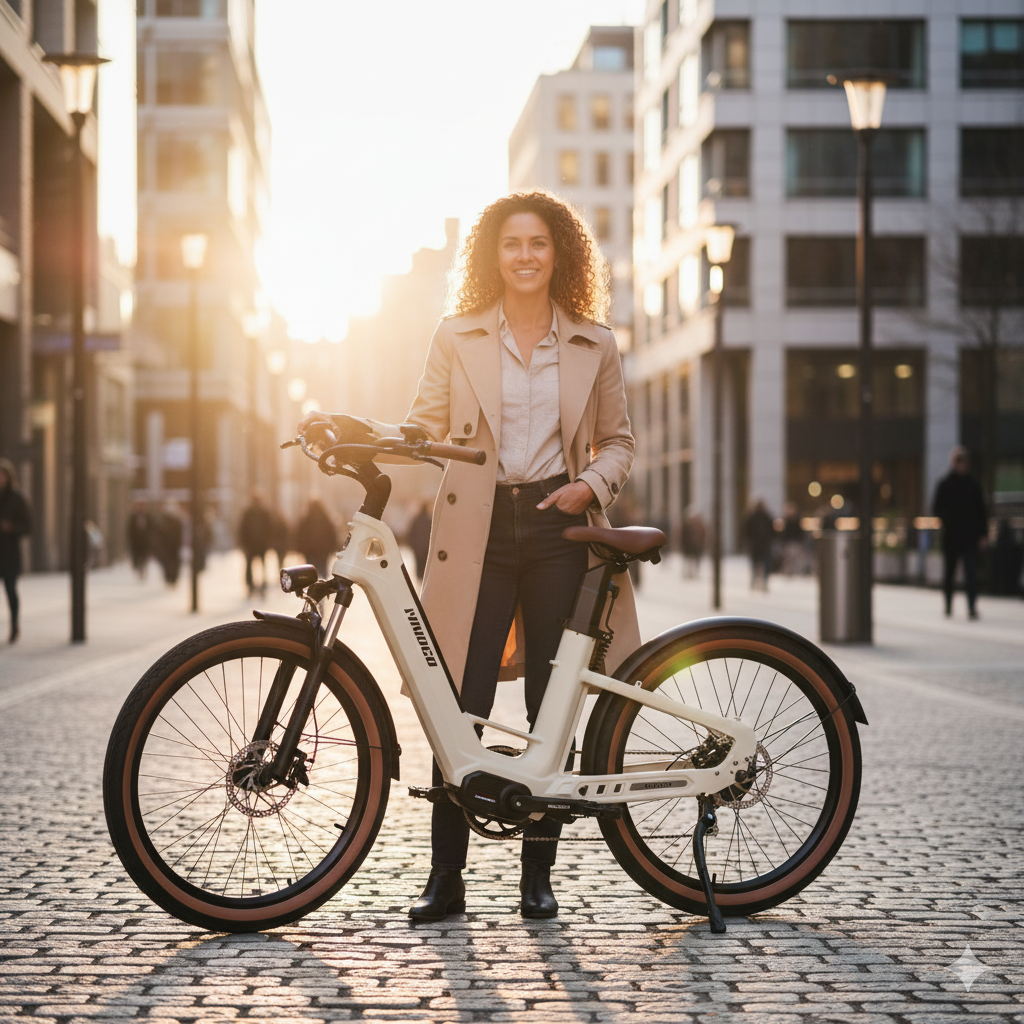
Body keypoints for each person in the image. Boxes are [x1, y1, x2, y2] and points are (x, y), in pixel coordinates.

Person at [300, 190, 637, 922]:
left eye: (538, 243)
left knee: (553, 703)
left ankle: (535, 879)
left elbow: (620, 442)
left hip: (560, 528)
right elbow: (423, 427)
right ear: (493, 255)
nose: (524, 255)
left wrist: (589, 485)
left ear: (560, 255)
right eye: (511, 243)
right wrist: (358, 429)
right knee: (458, 698)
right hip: (475, 534)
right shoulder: (456, 336)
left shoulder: (593, 342)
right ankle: (445, 877)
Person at [932, 445, 988, 618]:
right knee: (949, 573)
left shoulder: (973, 483)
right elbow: (937, 508)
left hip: (969, 536)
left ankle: (972, 607)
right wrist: (949, 520)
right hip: (951, 536)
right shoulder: (945, 482)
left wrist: (982, 534)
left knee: (971, 573)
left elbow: (981, 511)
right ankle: (948, 604)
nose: (961, 466)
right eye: (959, 462)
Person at [0, 459, 31, 643]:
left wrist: (11, 527)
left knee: (11, 590)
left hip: (10, 553)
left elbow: (27, 526)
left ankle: (14, 625)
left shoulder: (17, 498)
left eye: (2, 476)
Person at [238, 492, 275, 596]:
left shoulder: (248, 513)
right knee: (261, 565)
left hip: (252, 545)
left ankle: (252, 585)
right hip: (260, 544)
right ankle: (261, 584)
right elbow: (270, 528)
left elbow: (242, 529)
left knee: (251, 565)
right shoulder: (263, 512)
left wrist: (244, 543)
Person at [296, 498, 338, 578]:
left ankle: (312, 586)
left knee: (310, 571)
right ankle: (323, 586)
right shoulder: (326, 519)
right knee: (323, 570)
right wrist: (332, 548)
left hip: (310, 551)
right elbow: (332, 534)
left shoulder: (306, 519)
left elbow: (300, 535)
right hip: (323, 551)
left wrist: (300, 549)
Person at [743, 499, 775, 592]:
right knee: (765, 564)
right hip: (764, 545)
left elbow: (746, 531)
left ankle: (754, 581)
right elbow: (772, 531)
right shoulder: (766, 516)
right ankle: (764, 582)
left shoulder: (751, 516)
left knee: (754, 565)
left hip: (755, 545)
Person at [406, 500, 432, 583]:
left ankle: (419, 579)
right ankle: (424, 579)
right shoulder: (430, 520)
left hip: (417, 548)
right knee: (425, 564)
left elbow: (411, 533)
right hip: (426, 548)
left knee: (418, 564)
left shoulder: (416, 520)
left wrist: (412, 545)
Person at [127, 502, 152, 578]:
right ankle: (137, 567)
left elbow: (151, 528)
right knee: (136, 556)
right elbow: (130, 529)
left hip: (145, 541)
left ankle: (143, 569)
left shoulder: (148, 517)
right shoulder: (133, 517)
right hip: (136, 541)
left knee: (144, 556)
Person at [681, 507, 707, 579]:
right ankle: (689, 572)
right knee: (688, 559)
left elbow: (703, 535)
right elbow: (682, 535)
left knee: (697, 559)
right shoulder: (686, 526)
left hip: (697, 545)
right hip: (688, 545)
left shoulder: (700, 526)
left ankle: (695, 572)